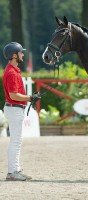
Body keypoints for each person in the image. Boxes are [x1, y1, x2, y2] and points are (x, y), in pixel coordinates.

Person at [2, 42, 41, 181]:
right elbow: (13, 95)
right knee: (15, 142)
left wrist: (29, 98)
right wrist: (30, 97)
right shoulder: (11, 72)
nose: (22, 54)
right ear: (14, 55)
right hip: (14, 109)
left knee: (16, 141)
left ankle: (16, 169)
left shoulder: (13, 70)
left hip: (15, 109)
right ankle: (12, 172)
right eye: (20, 53)